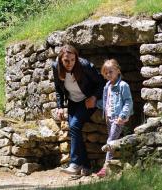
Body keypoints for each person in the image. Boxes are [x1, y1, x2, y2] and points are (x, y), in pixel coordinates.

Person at [52, 44, 105, 176]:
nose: (69, 63)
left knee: (74, 125)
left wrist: (94, 97)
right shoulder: (56, 67)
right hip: (72, 101)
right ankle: (86, 166)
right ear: (60, 60)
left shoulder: (84, 65)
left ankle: (75, 164)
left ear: (76, 58)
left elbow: (101, 82)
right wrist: (60, 106)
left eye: (72, 60)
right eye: (66, 61)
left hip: (87, 101)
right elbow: (58, 88)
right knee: (74, 129)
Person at [96, 59, 133, 178]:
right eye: (105, 73)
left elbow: (128, 101)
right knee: (113, 140)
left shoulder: (123, 85)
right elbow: (107, 102)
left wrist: (122, 116)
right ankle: (117, 164)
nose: (108, 75)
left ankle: (105, 167)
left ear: (118, 70)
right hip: (109, 118)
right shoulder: (107, 86)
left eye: (110, 72)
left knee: (110, 141)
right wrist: (96, 103)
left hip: (118, 118)